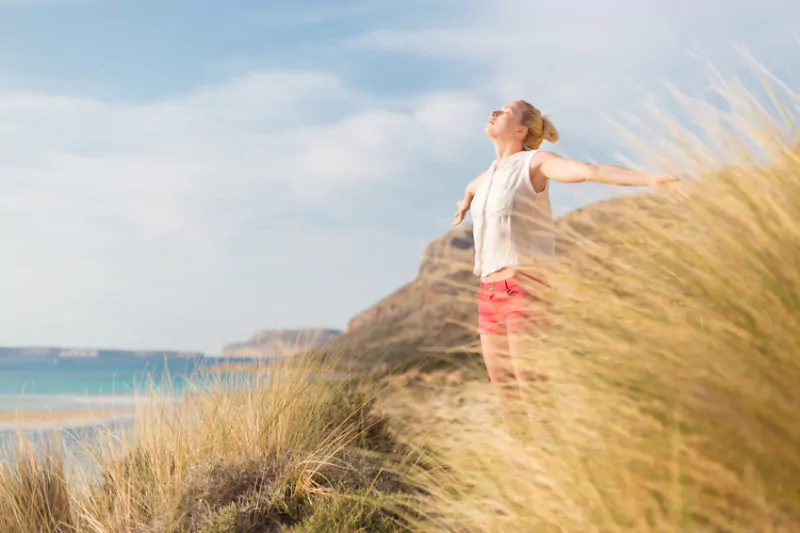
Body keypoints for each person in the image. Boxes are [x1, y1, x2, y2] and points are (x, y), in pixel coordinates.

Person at [452, 100, 677, 424]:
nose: (494, 112)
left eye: (505, 111)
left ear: (520, 130)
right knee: (507, 396)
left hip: (524, 291)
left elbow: (589, 171)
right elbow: (471, 189)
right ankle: (524, 466)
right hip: (487, 296)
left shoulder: (536, 163)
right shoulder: (486, 176)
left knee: (533, 388)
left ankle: (555, 460)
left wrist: (654, 179)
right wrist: (465, 203)